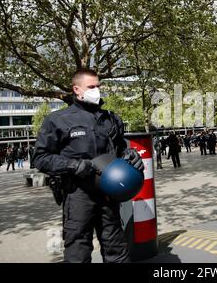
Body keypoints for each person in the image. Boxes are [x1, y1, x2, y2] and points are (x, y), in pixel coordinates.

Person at [33, 69, 144, 263]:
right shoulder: (57, 120)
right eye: (91, 87)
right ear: (77, 89)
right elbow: (40, 158)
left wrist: (130, 155)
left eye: (98, 86)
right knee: (78, 251)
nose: (97, 91)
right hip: (77, 195)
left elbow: (120, 149)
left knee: (116, 249)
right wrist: (73, 166)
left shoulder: (111, 118)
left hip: (109, 193)